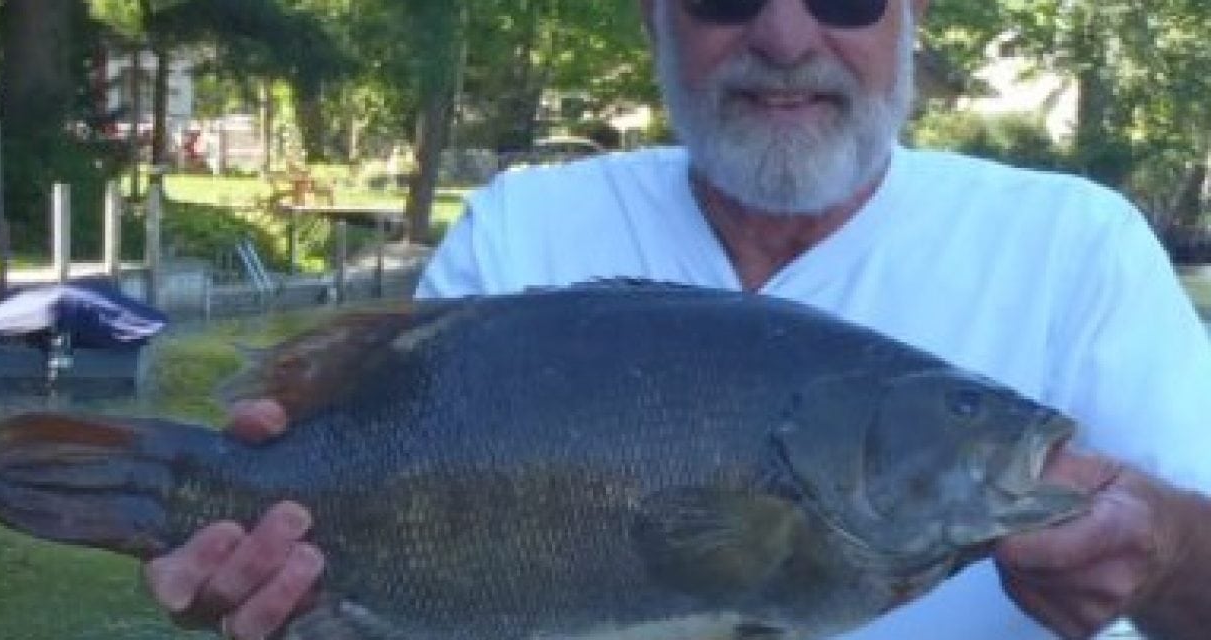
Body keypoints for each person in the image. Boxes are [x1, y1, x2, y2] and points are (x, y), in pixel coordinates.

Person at [143, 0, 1211, 638]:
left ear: (910, 14)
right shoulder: (524, 225)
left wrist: (1162, 551)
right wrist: (294, 598)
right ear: (654, 13)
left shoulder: (1075, 242)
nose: (784, 34)